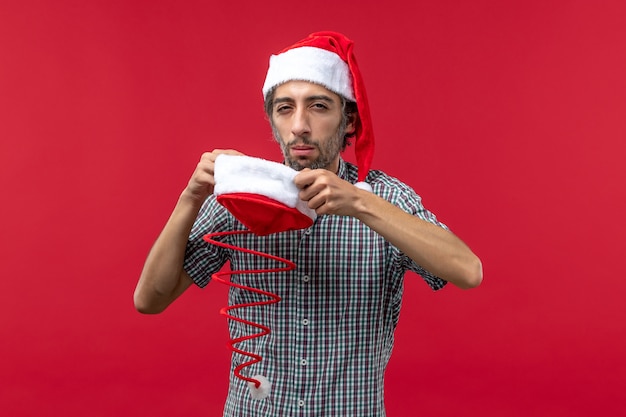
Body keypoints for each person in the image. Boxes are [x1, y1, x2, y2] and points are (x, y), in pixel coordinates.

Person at [134, 31, 482, 417]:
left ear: (348, 121)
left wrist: (360, 203)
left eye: (318, 106)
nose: (299, 125)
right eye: (285, 109)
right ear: (273, 121)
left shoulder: (383, 198)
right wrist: (190, 198)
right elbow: (149, 300)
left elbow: (468, 271)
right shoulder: (242, 196)